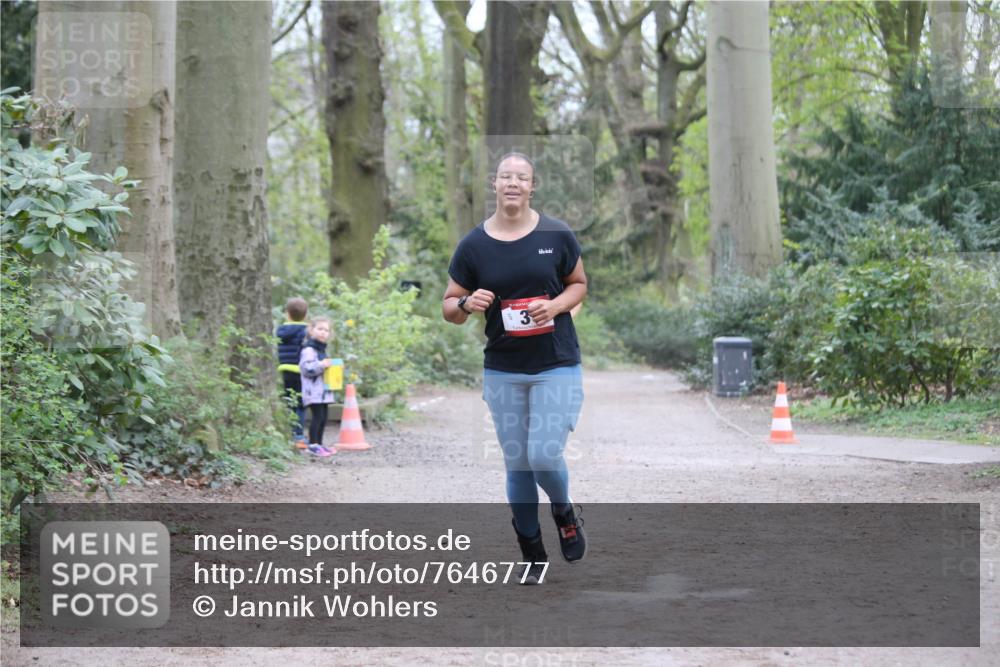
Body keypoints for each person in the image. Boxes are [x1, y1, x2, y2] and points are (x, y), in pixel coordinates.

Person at [442, 152, 588, 584]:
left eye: (521, 177)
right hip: (504, 368)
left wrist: (555, 306)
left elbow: (578, 284)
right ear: (494, 184)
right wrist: (467, 304)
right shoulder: (474, 244)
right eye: (505, 176)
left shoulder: (556, 234)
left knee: (543, 454)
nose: (513, 183)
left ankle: (563, 512)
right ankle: (532, 553)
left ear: (532, 186)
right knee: (517, 464)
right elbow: (450, 305)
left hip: (555, 363)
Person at [299, 316, 338, 457]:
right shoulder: (309, 350)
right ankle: (313, 445)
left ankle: (320, 445)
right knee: (317, 417)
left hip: (323, 392)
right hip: (313, 392)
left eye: (326, 330)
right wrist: (322, 365)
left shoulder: (322, 350)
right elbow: (306, 368)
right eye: (320, 329)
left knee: (323, 418)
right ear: (311, 330)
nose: (323, 332)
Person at [276, 297, 309, 449]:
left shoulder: (281, 331)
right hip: (301, 371)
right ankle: (299, 436)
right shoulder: (306, 331)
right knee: (300, 405)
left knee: (289, 402)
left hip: (285, 370)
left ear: (287, 313)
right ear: (306, 314)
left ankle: (288, 433)